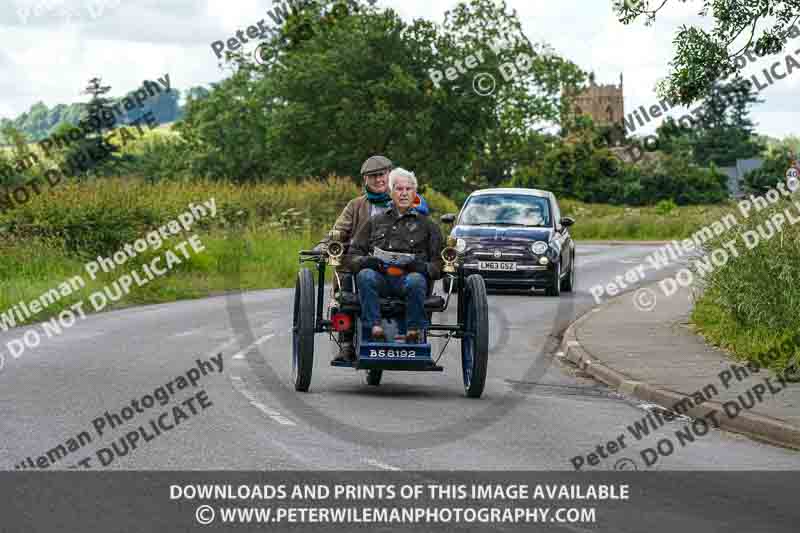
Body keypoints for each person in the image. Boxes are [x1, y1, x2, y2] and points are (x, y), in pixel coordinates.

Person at [347, 168, 443, 344]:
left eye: (408, 189)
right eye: (399, 189)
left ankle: (413, 330)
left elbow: (440, 265)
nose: (404, 193)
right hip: (381, 280)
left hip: (409, 282)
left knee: (416, 280)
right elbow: (352, 255)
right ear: (391, 193)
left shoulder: (429, 226)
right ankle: (375, 328)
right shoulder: (375, 221)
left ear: (415, 193)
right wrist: (366, 261)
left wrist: (423, 268)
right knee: (365, 275)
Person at [320, 155, 393, 362]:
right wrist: (325, 245)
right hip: (359, 263)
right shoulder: (356, 205)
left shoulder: (401, 200)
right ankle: (346, 344)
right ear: (365, 180)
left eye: (383, 175)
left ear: (390, 175)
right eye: (374, 176)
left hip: (394, 264)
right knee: (345, 286)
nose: (379, 180)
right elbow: (339, 231)